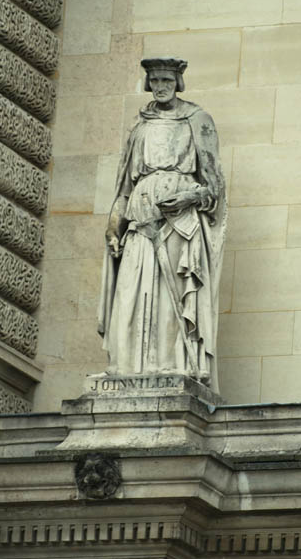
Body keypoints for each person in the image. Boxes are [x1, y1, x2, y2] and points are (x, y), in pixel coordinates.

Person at [97, 57, 226, 391]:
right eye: (155, 81)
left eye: (167, 80)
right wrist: (114, 224)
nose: (161, 87)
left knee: (171, 299)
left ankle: (173, 364)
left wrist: (186, 199)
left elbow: (214, 188)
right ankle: (126, 367)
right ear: (148, 84)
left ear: (178, 82)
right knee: (131, 290)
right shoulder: (139, 127)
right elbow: (124, 187)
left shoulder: (196, 121)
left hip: (179, 223)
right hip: (139, 219)